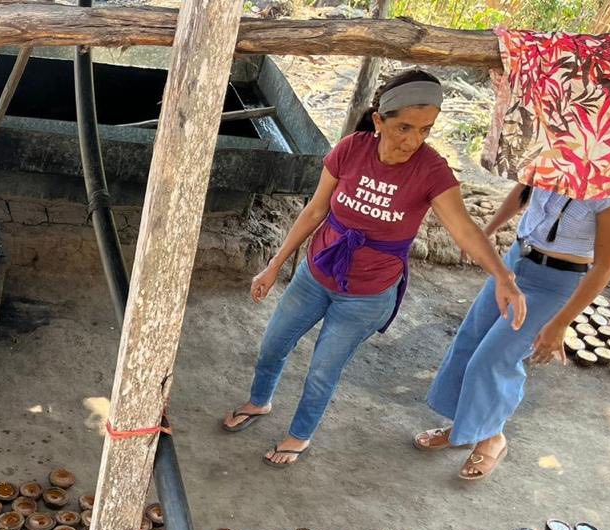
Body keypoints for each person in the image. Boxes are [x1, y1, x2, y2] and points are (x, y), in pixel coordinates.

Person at [220, 70, 527, 467]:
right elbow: (315, 210)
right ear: (379, 120)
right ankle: (258, 402)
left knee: (321, 371)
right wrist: (274, 265)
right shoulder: (351, 149)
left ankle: (300, 435)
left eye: (425, 130)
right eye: (403, 127)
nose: (413, 140)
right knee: (273, 346)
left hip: (367, 296)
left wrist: (503, 276)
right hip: (315, 274)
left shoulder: (431, 171)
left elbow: (464, 229)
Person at [415, 183, 610, 480]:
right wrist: (489, 229)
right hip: (515, 262)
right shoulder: (556, 157)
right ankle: (465, 427)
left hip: (557, 283)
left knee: (494, 359)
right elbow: (522, 192)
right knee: (470, 342)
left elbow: (605, 266)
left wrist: (561, 323)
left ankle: (492, 437)